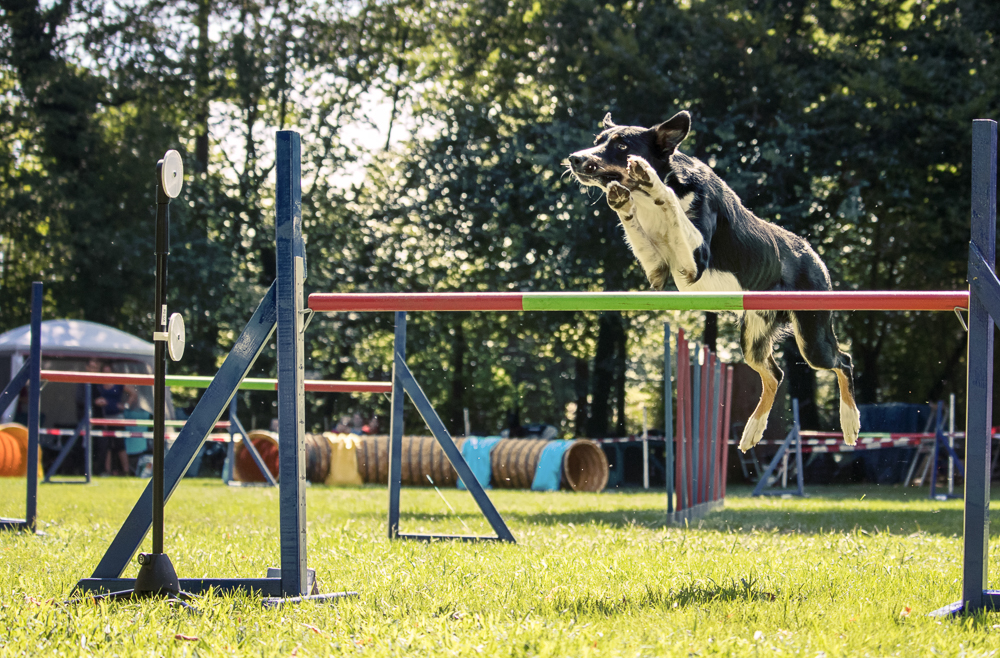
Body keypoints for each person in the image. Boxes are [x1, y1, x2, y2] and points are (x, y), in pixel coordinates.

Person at [94, 362, 138, 475]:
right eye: (105, 372)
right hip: (104, 417)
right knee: (107, 445)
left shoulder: (118, 383)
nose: (106, 374)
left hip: (117, 416)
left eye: (108, 371)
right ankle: (107, 470)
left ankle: (126, 470)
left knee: (120, 444)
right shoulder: (99, 384)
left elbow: (133, 393)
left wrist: (126, 405)